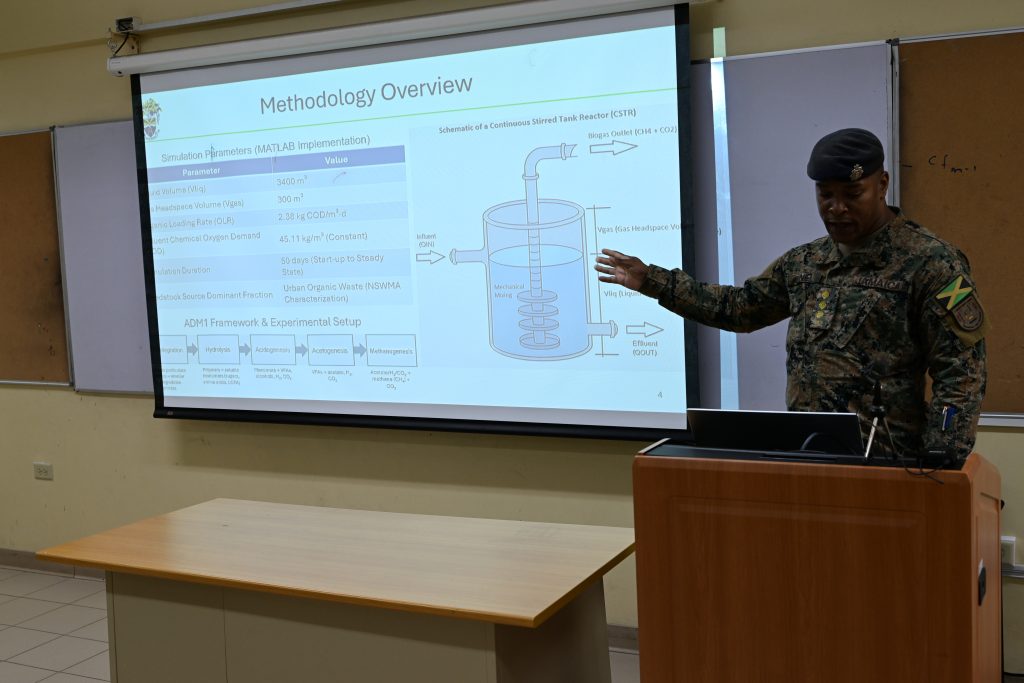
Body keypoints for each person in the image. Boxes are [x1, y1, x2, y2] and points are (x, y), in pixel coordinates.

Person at [595, 128, 987, 459]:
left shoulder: (930, 263)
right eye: (825, 194)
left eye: (852, 194)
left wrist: (942, 456)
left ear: (882, 184)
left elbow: (961, 371)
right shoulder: (805, 263)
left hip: (887, 463)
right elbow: (738, 309)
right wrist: (652, 281)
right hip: (806, 457)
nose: (836, 208)